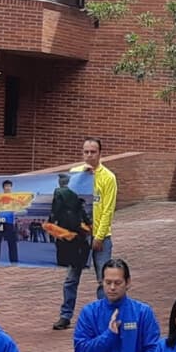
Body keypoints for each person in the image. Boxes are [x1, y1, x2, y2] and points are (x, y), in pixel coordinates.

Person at [55, 259, 161, 352]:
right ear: (101, 282)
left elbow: (153, 351)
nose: (112, 288)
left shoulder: (143, 312)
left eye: (117, 283)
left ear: (128, 282)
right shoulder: (89, 312)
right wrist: (108, 336)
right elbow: (81, 351)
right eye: (108, 282)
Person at [53, 138, 117, 330]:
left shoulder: (108, 177)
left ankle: (104, 318)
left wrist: (99, 236)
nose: (89, 155)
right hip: (78, 236)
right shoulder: (75, 175)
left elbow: (108, 209)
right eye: (86, 152)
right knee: (71, 278)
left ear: (100, 153)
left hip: (100, 237)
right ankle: (65, 315)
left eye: (93, 152)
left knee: (104, 279)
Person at [48, 173, 91, 269]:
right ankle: (78, 261)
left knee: (63, 241)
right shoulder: (75, 192)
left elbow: (56, 208)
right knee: (78, 241)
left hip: (64, 220)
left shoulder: (58, 192)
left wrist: (51, 220)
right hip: (76, 220)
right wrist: (87, 221)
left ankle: (63, 261)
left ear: (60, 183)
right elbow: (81, 208)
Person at [0, 179, 19, 263]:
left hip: (9, 222)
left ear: (11, 187)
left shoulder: (14, 198)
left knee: (12, 243)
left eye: (9, 186)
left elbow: (19, 206)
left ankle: (14, 261)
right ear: (3, 187)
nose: (8, 188)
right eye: (6, 186)